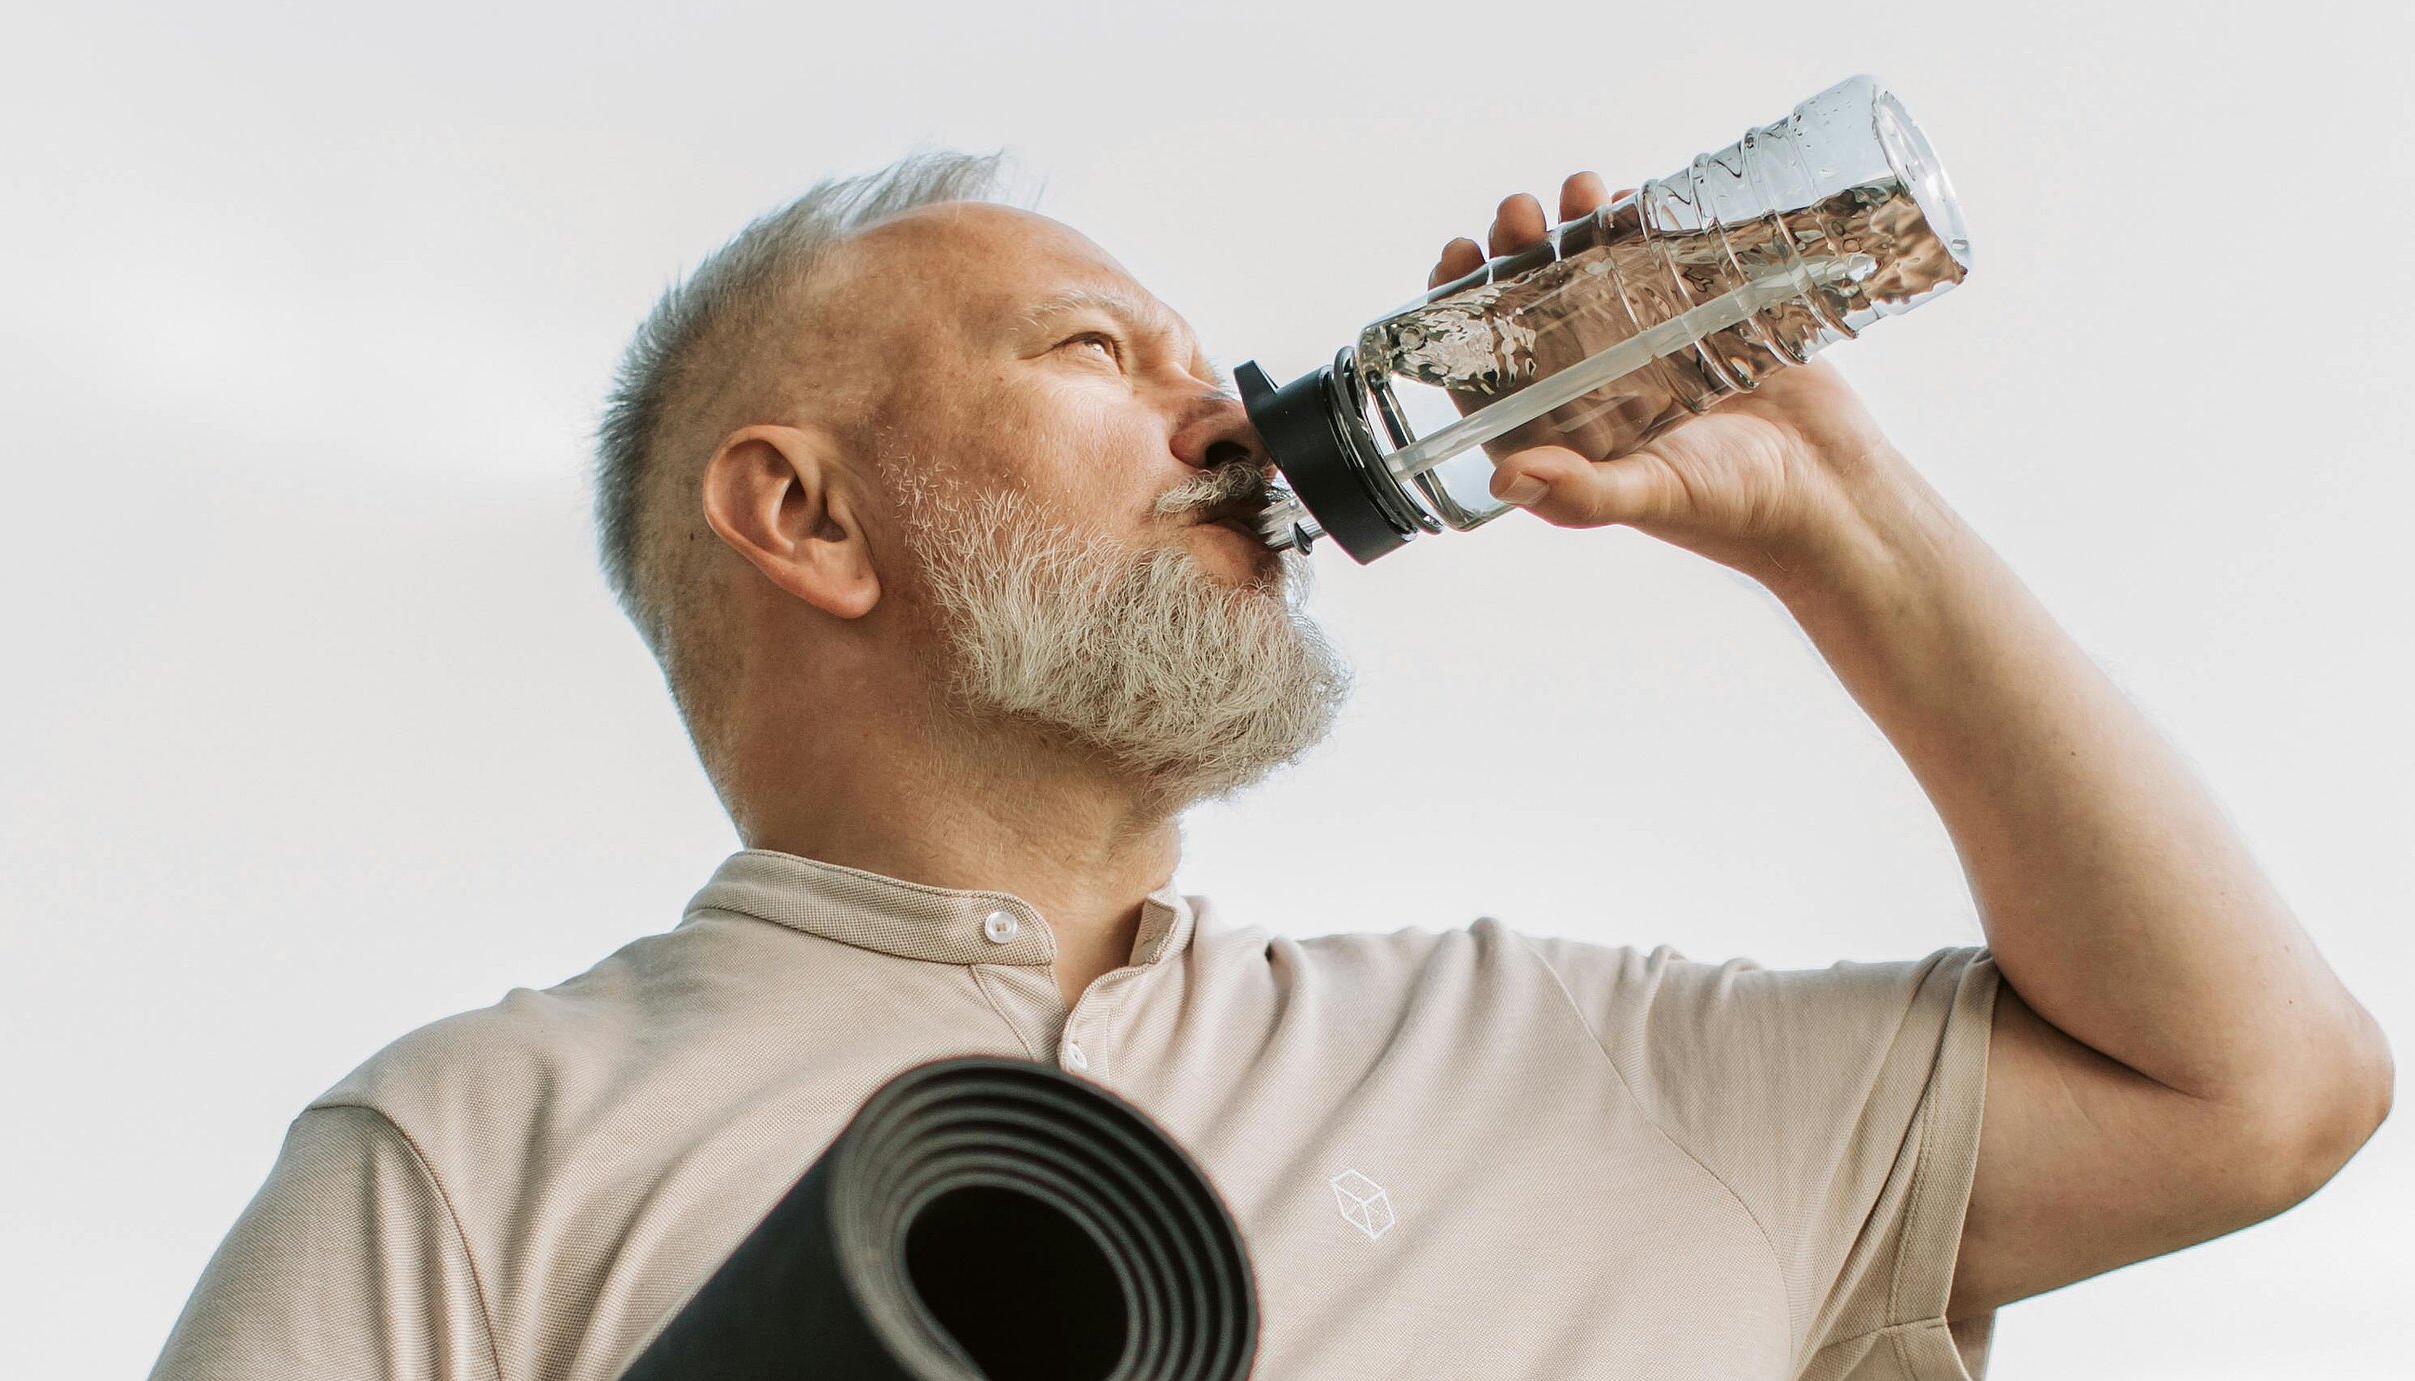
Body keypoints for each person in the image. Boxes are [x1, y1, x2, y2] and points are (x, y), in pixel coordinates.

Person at [146, 151, 2391, 1381]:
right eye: (1088, 354)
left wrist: (1835, 513)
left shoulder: (1588, 1063)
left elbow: (2256, 1088)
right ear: (803, 516)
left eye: (1206, 360)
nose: (1225, 411)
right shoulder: (465, 1151)